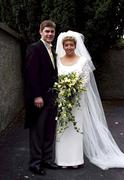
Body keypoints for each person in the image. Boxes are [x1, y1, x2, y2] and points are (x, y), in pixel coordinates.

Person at [55, 30, 124, 171]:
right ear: (63, 46)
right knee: (63, 128)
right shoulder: (59, 60)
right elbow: (57, 79)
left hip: (77, 100)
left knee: (76, 129)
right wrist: (64, 92)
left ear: (75, 45)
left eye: (71, 45)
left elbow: (85, 80)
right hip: (63, 100)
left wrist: (73, 91)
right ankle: (63, 160)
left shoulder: (83, 61)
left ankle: (75, 159)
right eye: (66, 45)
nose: (69, 47)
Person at [24, 20, 58, 175]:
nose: (49, 34)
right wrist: (37, 95)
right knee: (38, 131)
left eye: (52, 31)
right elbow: (31, 75)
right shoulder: (34, 48)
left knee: (49, 130)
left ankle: (47, 160)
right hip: (40, 98)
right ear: (40, 32)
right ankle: (35, 163)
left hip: (52, 96)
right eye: (47, 31)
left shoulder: (53, 50)